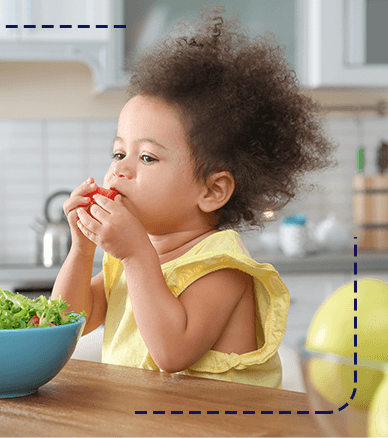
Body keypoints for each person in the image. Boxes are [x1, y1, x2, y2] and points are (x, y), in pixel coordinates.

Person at [51, 5, 337, 388]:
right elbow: (66, 321)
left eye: (147, 157)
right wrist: (82, 250)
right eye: (119, 153)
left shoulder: (223, 265)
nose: (120, 169)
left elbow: (173, 353)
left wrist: (136, 253)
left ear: (212, 190)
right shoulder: (128, 259)